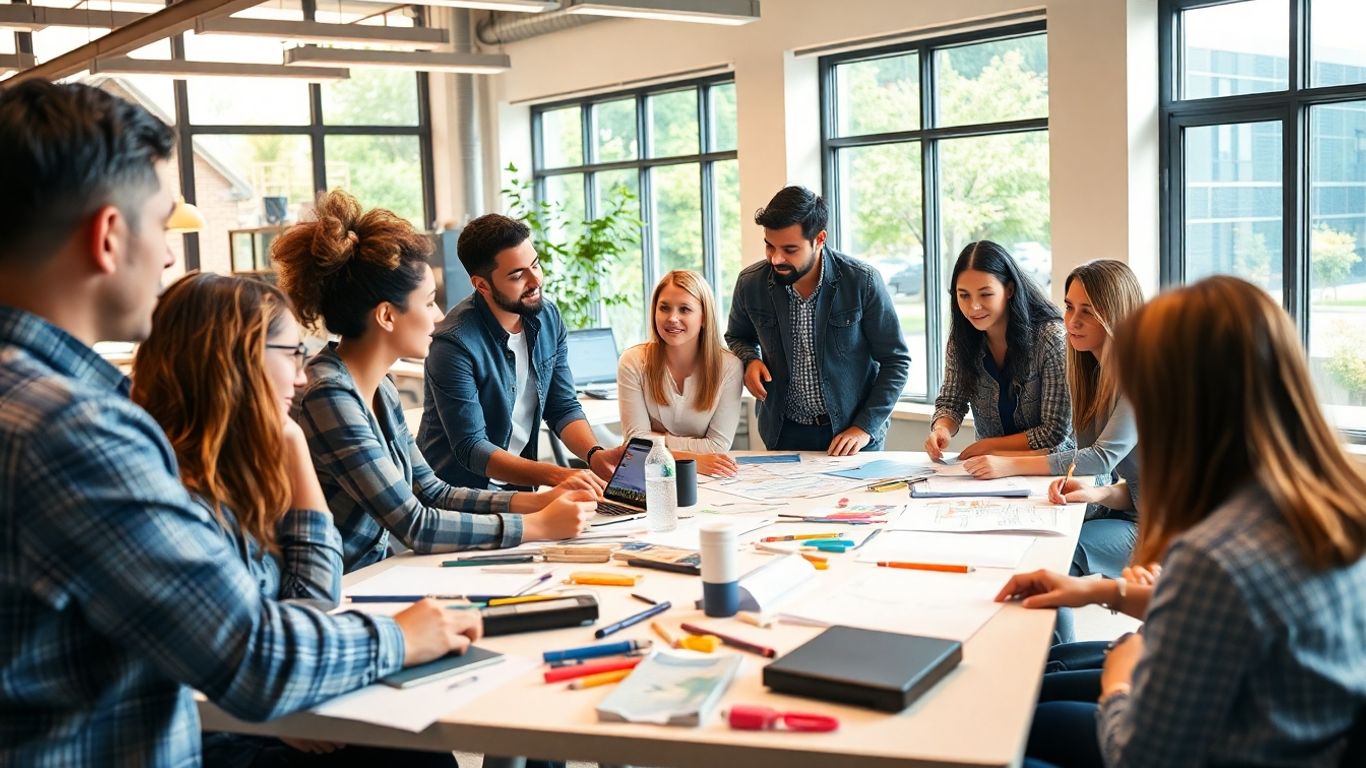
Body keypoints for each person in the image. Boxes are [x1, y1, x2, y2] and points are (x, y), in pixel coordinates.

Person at [0, 80, 473, 765]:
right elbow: (252, 656)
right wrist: (403, 637)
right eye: (161, 226)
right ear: (107, 237)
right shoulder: (71, 431)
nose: (168, 256)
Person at [999, 276, 1366, 767]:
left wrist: (1120, 682)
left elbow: (1139, 758)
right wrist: (1101, 591)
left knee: (1008, 724)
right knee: (1038, 687)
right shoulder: (1328, 503)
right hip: (1278, 725)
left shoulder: (1216, 555)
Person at [133, 273, 457, 767]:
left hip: (267, 703)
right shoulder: (168, 497)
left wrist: (290, 443)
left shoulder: (240, 472)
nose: (302, 376)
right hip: (220, 735)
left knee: (413, 742)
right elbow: (217, 661)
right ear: (236, 359)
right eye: (291, 354)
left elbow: (310, 606)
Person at [273, 192, 597, 572]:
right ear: (387, 316)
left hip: (375, 571)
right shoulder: (329, 394)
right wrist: (536, 525)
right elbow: (415, 524)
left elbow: (432, 492)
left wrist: (546, 499)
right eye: (428, 302)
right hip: (339, 585)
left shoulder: (381, 388)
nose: (440, 316)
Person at [962, 259, 1145, 578]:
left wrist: (1009, 465)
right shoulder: (1093, 376)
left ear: (1117, 315)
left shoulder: (1141, 377)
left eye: (1087, 311)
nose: (1072, 321)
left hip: (1163, 529)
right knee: (1026, 538)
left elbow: (1101, 458)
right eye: (1069, 307)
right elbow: (1142, 487)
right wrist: (1098, 493)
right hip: (1133, 513)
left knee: (1051, 558)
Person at [419, 213, 624, 490]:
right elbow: (471, 447)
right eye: (518, 275)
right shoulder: (453, 344)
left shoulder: (547, 316)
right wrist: (559, 476)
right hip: (457, 495)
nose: (535, 280)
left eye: (535, 265)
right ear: (482, 285)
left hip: (518, 485)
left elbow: (562, 406)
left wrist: (594, 455)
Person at [725, 185, 910, 454]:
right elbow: (737, 336)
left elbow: (896, 361)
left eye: (790, 249)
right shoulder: (750, 283)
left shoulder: (862, 281)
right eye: (769, 246)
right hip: (782, 433)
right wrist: (749, 359)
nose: (776, 258)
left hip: (853, 436)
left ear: (819, 239)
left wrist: (864, 427)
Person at [925, 240, 1072, 461]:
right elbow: (951, 402)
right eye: (964, 295)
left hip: (1050, 466)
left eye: (985, 294)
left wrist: (989, 448)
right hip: (990, 467)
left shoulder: (1050, 338)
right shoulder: (961, 341)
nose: (973, 306)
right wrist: (941, 429)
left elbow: (1055, 431)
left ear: (1009, 290)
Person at [617, 270, 743, 477]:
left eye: (685, 309)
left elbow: (718, 445)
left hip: (709, 476)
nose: (672, 318)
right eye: (664, 308)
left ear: (704, 317)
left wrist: (658, 439)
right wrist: (693, 459)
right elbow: (635, 443)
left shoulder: (729, 366)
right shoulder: (633, 361)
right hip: (648, 475)